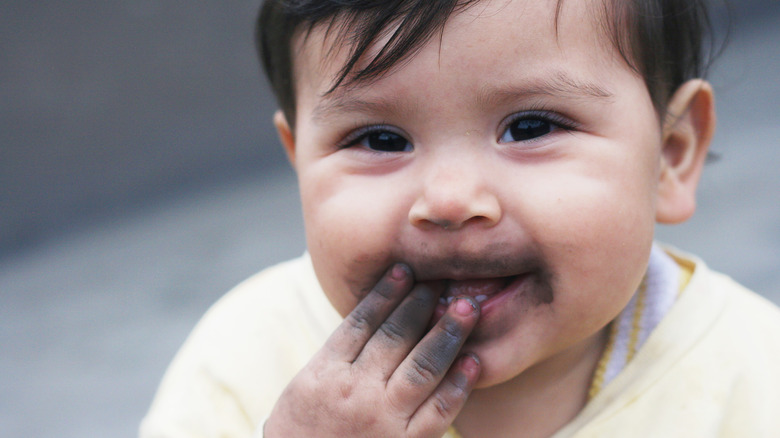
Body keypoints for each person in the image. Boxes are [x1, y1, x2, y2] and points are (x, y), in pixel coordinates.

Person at [140, 0, 780, 436]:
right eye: (381, 140)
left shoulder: (752, 374)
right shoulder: (245, 356)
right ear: (300, 164)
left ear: (670, 156)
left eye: (530, 127)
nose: (448, 201)